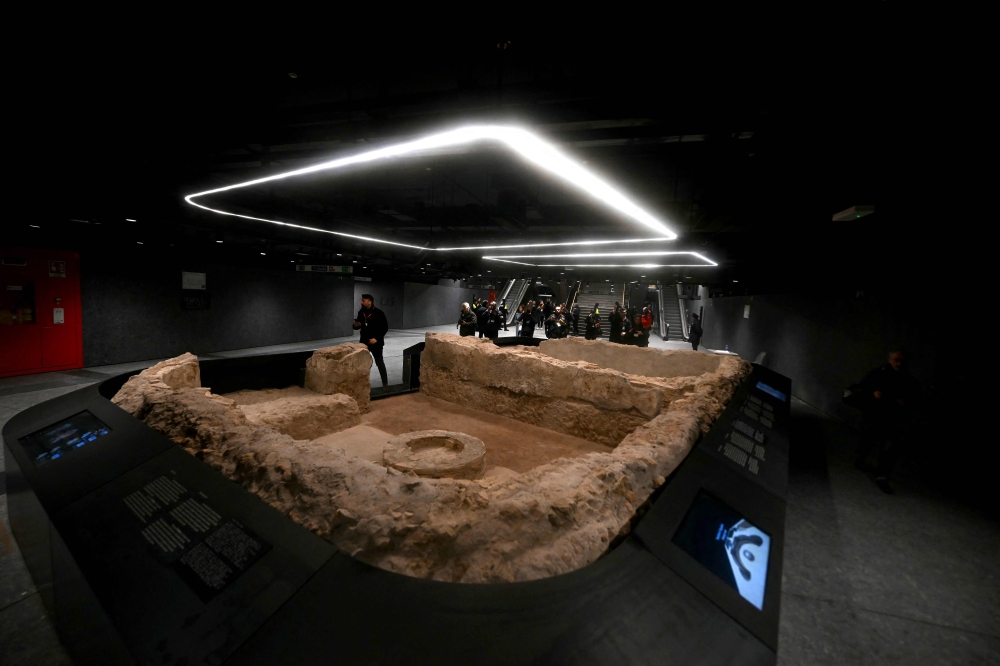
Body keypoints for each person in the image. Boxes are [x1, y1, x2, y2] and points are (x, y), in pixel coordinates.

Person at [853, 350, 918, 493]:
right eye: (896, 360)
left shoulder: (907, 380)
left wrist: (905, 403)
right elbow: (861, 388)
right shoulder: (878, 373)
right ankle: (861, 457)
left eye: (902, 361)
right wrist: (872, 394)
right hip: (876, 414)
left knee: (889, 447)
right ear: (890, 360)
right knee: (869, 439)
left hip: (893, 418)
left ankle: (882, 476)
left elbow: (913, 398)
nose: (899, 364)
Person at [353, 293, 389, 388]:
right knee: (361, 363)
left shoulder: (379, 313)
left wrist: (376, 339)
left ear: (369, 302)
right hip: (364, 342)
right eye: (361, 300)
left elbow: (384, 328)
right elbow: (358, 325)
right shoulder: (361, 312)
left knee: (379, 362)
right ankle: (361, 385)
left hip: (376, 343)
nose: (361, 302)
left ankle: (385, 384)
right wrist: (355, 325)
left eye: (363, 300)